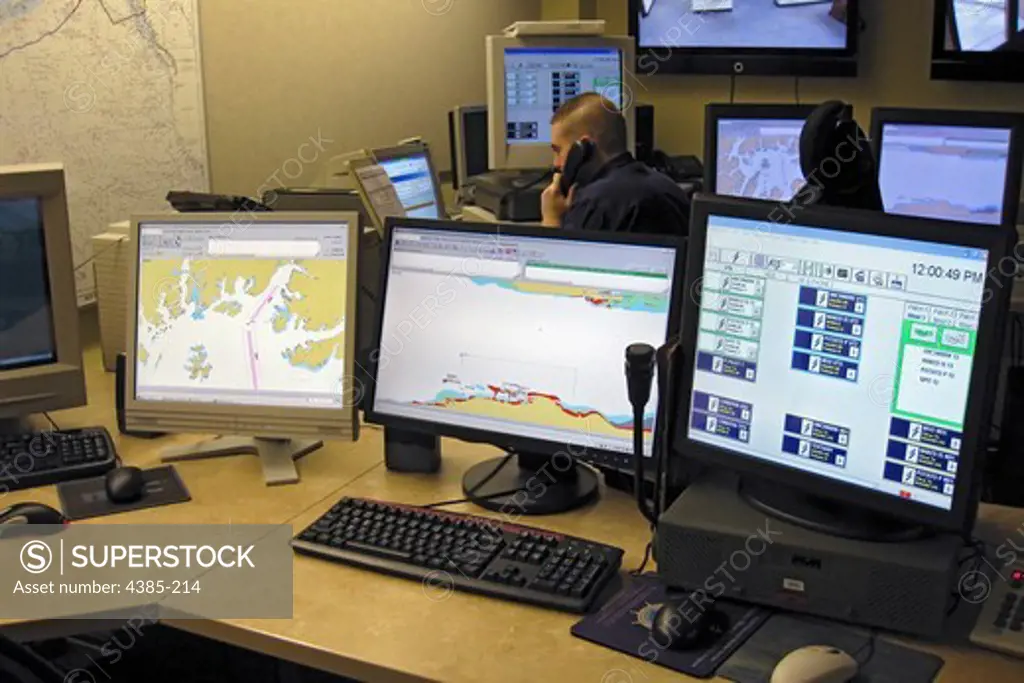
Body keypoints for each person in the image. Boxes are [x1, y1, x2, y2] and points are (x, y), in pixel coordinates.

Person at [540, 93, 690, 236]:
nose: (556, 164)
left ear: (583, 148)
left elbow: (559, 260)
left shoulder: (596, 203)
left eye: (558, 151)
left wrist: (551, 219)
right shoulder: (669, 187)